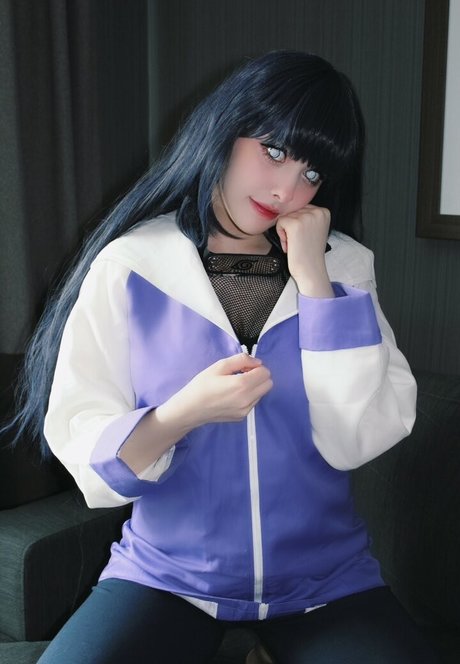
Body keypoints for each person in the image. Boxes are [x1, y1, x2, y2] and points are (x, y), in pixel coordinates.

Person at [8, 50, 437, 663]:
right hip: (167, 578)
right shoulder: (133, 265)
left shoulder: (346, 266)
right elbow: (85, 444)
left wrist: (316, 282)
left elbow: (356, 438)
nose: (287, 190)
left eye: (313, 172)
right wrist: (181, 413)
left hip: (325, 583)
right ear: (225, 129)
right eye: (274, 150)